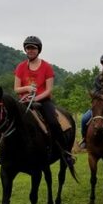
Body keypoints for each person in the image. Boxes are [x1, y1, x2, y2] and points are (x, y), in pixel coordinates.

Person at [14, 35, 75, 167]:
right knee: (9, 120)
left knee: (53, 122)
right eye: (28, 48)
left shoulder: (47, 67)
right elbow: (16, 89)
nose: (30, 50)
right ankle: (5, 153)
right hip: (24, 102)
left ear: (38, 50)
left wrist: (36, 98)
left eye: (33, 48)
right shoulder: (20, 67)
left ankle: (65, 153)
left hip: (43, 101)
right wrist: (27, 88)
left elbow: (48, 90)